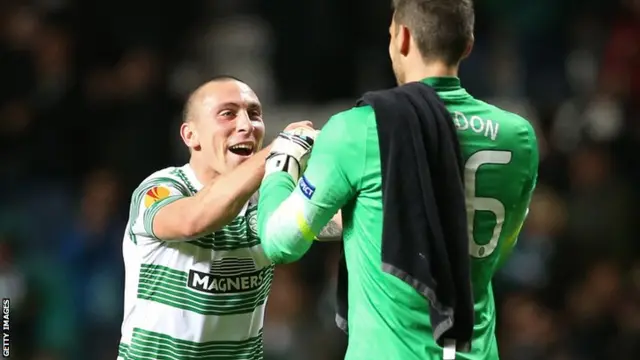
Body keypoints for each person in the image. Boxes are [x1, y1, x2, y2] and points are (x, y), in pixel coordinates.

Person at [256, 0, 539, 359]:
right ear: (468, 45)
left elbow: (280, 241)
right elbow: (498, 247)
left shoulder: (358, 129)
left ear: (401, 38)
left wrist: (283, 164)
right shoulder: (518, 136)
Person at [116, 76, 323, 360]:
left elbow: (340, 218)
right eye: (228, 113)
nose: (246, 125)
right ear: (191, 136)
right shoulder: (159, 189)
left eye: (254, 114)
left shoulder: (271, 197)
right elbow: (193, 220)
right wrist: (280, 151)